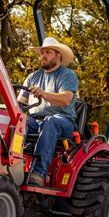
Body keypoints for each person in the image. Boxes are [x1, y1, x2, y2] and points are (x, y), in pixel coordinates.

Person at [18, 37, 78, 186]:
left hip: (63, 122)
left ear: (58, 56)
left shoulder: (67, 75)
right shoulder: (33, 77)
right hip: (36, 121)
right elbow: (20, 103)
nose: (43, 55)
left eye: (48, 52)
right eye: (42, 52)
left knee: (50, 121)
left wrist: (43, 94)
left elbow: (65, 99)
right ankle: (12, 164)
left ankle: (38, 173)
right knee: (18, 120)